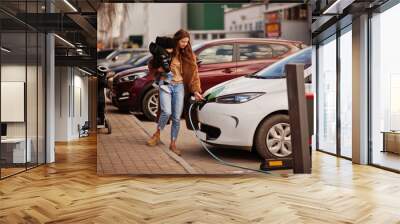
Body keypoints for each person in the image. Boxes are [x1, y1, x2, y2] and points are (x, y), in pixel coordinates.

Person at [146, 29, 204, 156]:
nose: (184, 44)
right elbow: (151, 64)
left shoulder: (189, 55)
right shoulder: (167, 50)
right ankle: (157, 134)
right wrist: (158, 69)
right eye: (182, 41)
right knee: (166, 112)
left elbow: (194, 75)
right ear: (177, 40)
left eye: (187, 42)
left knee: (177, 118)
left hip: (179, 87)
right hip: (166, 85)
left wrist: (196, 91)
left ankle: (173, 143)